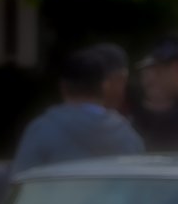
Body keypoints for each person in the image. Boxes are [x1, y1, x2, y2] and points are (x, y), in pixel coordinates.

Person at [12, 44, 143, 174]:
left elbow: (18, 183)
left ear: (62, 87)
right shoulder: (128, 135)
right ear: (104, 86)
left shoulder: (40, 131)